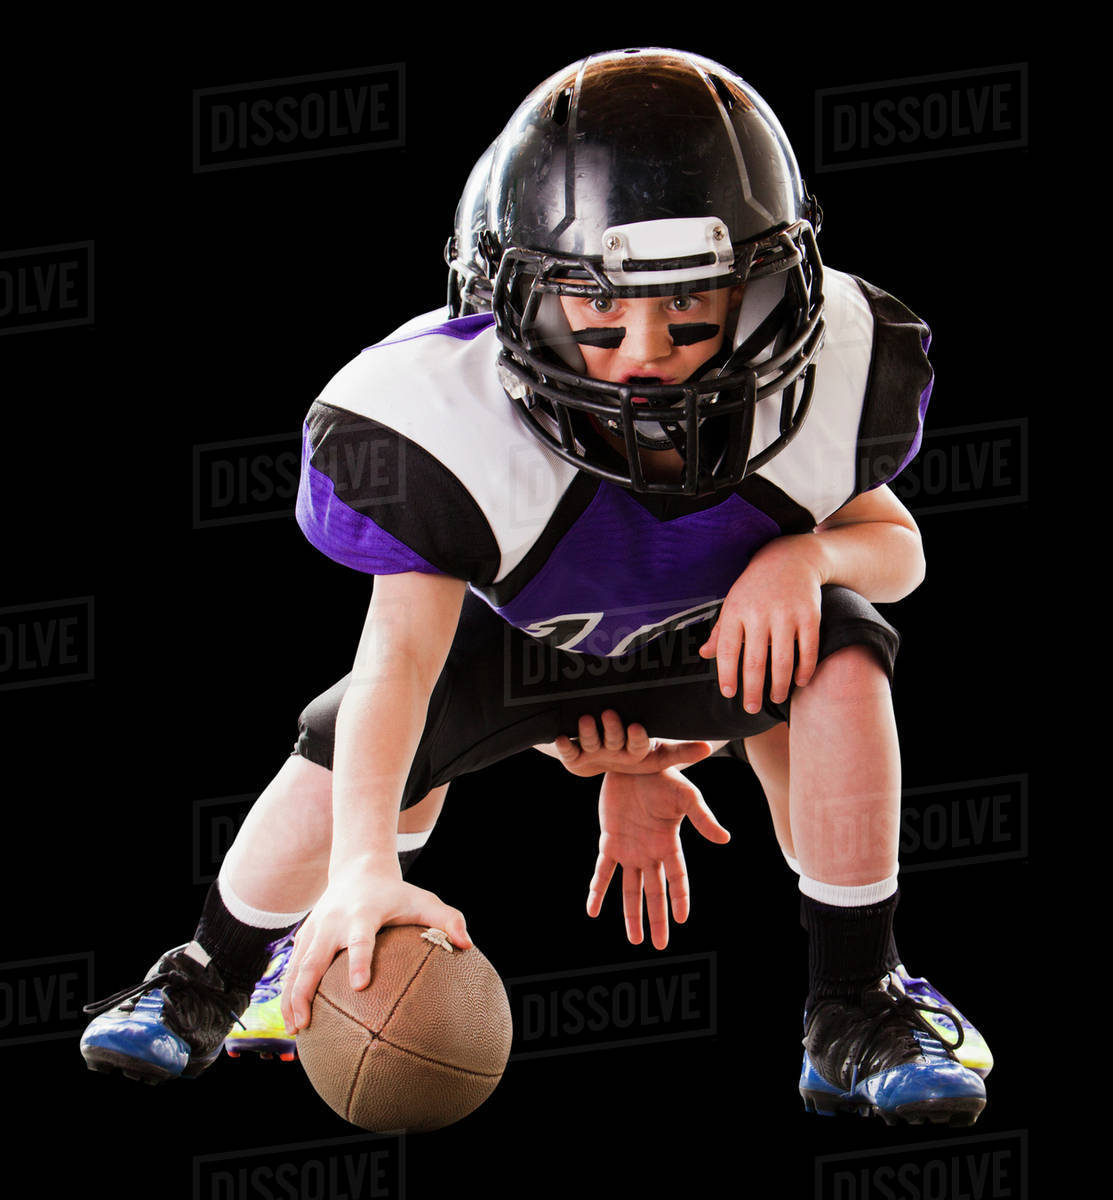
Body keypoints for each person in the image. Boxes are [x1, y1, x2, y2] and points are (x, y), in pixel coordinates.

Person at [81, 47, 987, 1125]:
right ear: (512, 302)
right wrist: (363, 867)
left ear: (767, 294)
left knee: (841, 647)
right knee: (357, 739)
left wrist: (807, 558)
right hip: (521, 653)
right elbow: (397, 662)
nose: (644, 356)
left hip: (711, 646)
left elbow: (897, 549)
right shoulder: (445, 420)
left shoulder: (830, 380)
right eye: (597, 315)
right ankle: (210, 976)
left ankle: (857, 1001)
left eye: (691, 313)